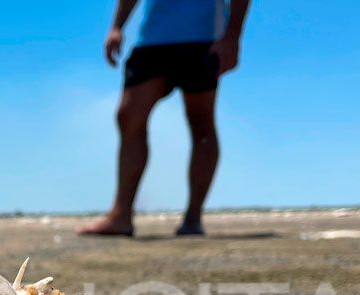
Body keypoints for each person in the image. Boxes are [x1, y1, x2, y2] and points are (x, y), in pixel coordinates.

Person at [79, 0, 250, 237]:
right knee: (128, 115)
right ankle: (121, 216)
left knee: (200, 123)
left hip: (203, 37)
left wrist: (232, 36)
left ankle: (193, 217)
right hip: (153, 38)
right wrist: (116, 27)